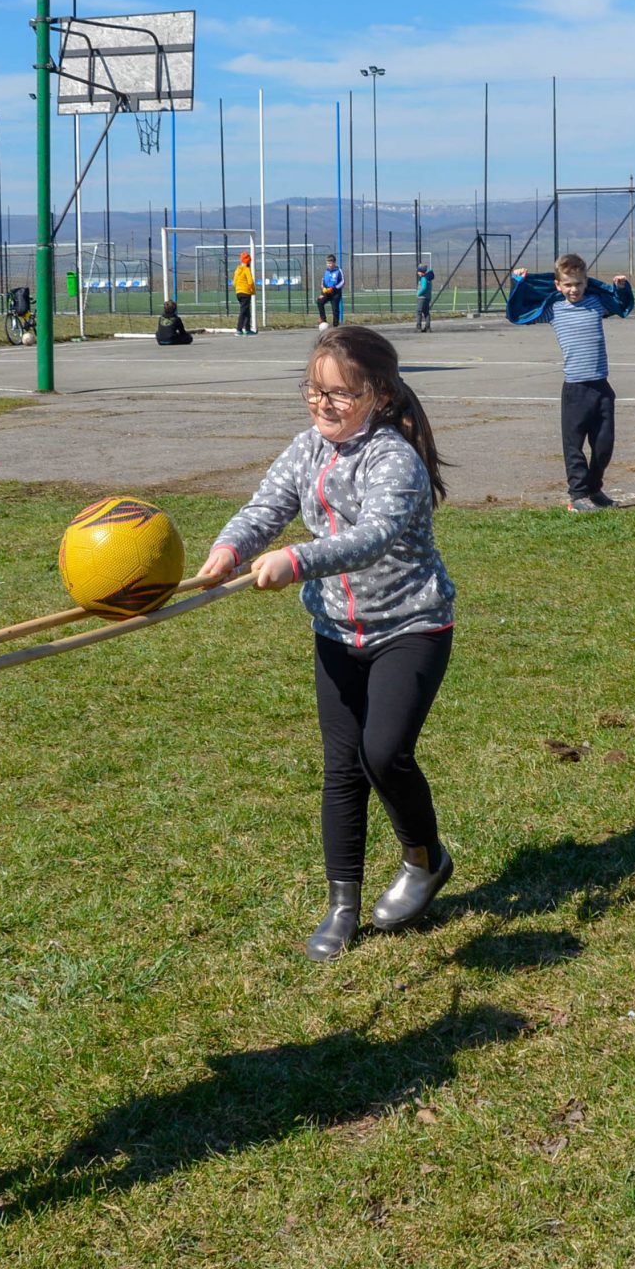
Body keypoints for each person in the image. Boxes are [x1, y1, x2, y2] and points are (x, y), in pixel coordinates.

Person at [196, 326, 457, 960]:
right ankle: (342, 904)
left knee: (383, 752)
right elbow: (266, 506)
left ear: (378, 393)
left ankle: (424, 858)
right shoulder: (305, 449)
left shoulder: (394, 459)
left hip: (411, 627)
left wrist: (296, 560)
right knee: (342, 768)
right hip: (336, 633)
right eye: (314, 391)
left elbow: (372, 537)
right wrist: (230, 549)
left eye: (340, 394)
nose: (323, 405)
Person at [506, 252, 635, 511]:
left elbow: (619, 305)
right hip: (575, 389)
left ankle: (594, 488)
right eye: (568, 284)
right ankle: (577, 496)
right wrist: (517, 283)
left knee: (604, 444)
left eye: (578, 284)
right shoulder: (553, 309)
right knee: (573, 445)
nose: (573, 289)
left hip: (601, 387)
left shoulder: (596, 304)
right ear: (558, 285)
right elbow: (520, 312)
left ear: (586, 282)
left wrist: (622, 288)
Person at [317, 255, 345, 329]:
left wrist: (334, 288)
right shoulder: (326, 271)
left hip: (335, 293)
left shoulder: (338, 270)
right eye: (328, 263)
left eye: (330, 263)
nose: (329, 265)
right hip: (326, 292)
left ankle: (335, 325)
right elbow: (323, 281)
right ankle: (323, 320)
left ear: (334, 263)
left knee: (335, 309)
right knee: (320, 301)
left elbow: (342, 281)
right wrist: (323, 289)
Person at [233, 250, 256, 334]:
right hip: (246, 292)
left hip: (238, 292)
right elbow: (250, 282)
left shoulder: (237, 270)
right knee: (243, 311)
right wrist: (253, 290)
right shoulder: (246, 270)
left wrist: (237, 289)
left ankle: (247, 329)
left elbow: (235, 282)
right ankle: (239, 329)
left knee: (246, 311)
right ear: (248, 261)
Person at [414, 264, 435, 332]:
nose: (418, 273)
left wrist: (418, 293)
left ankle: (418, 327)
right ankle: (428, 327)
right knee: (426, 312)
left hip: (422, 298)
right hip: (428, 297)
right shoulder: (428, 277)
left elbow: (424, 287)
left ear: (422, 271)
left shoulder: (423, 278)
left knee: (418, 311)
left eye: (419, 271)